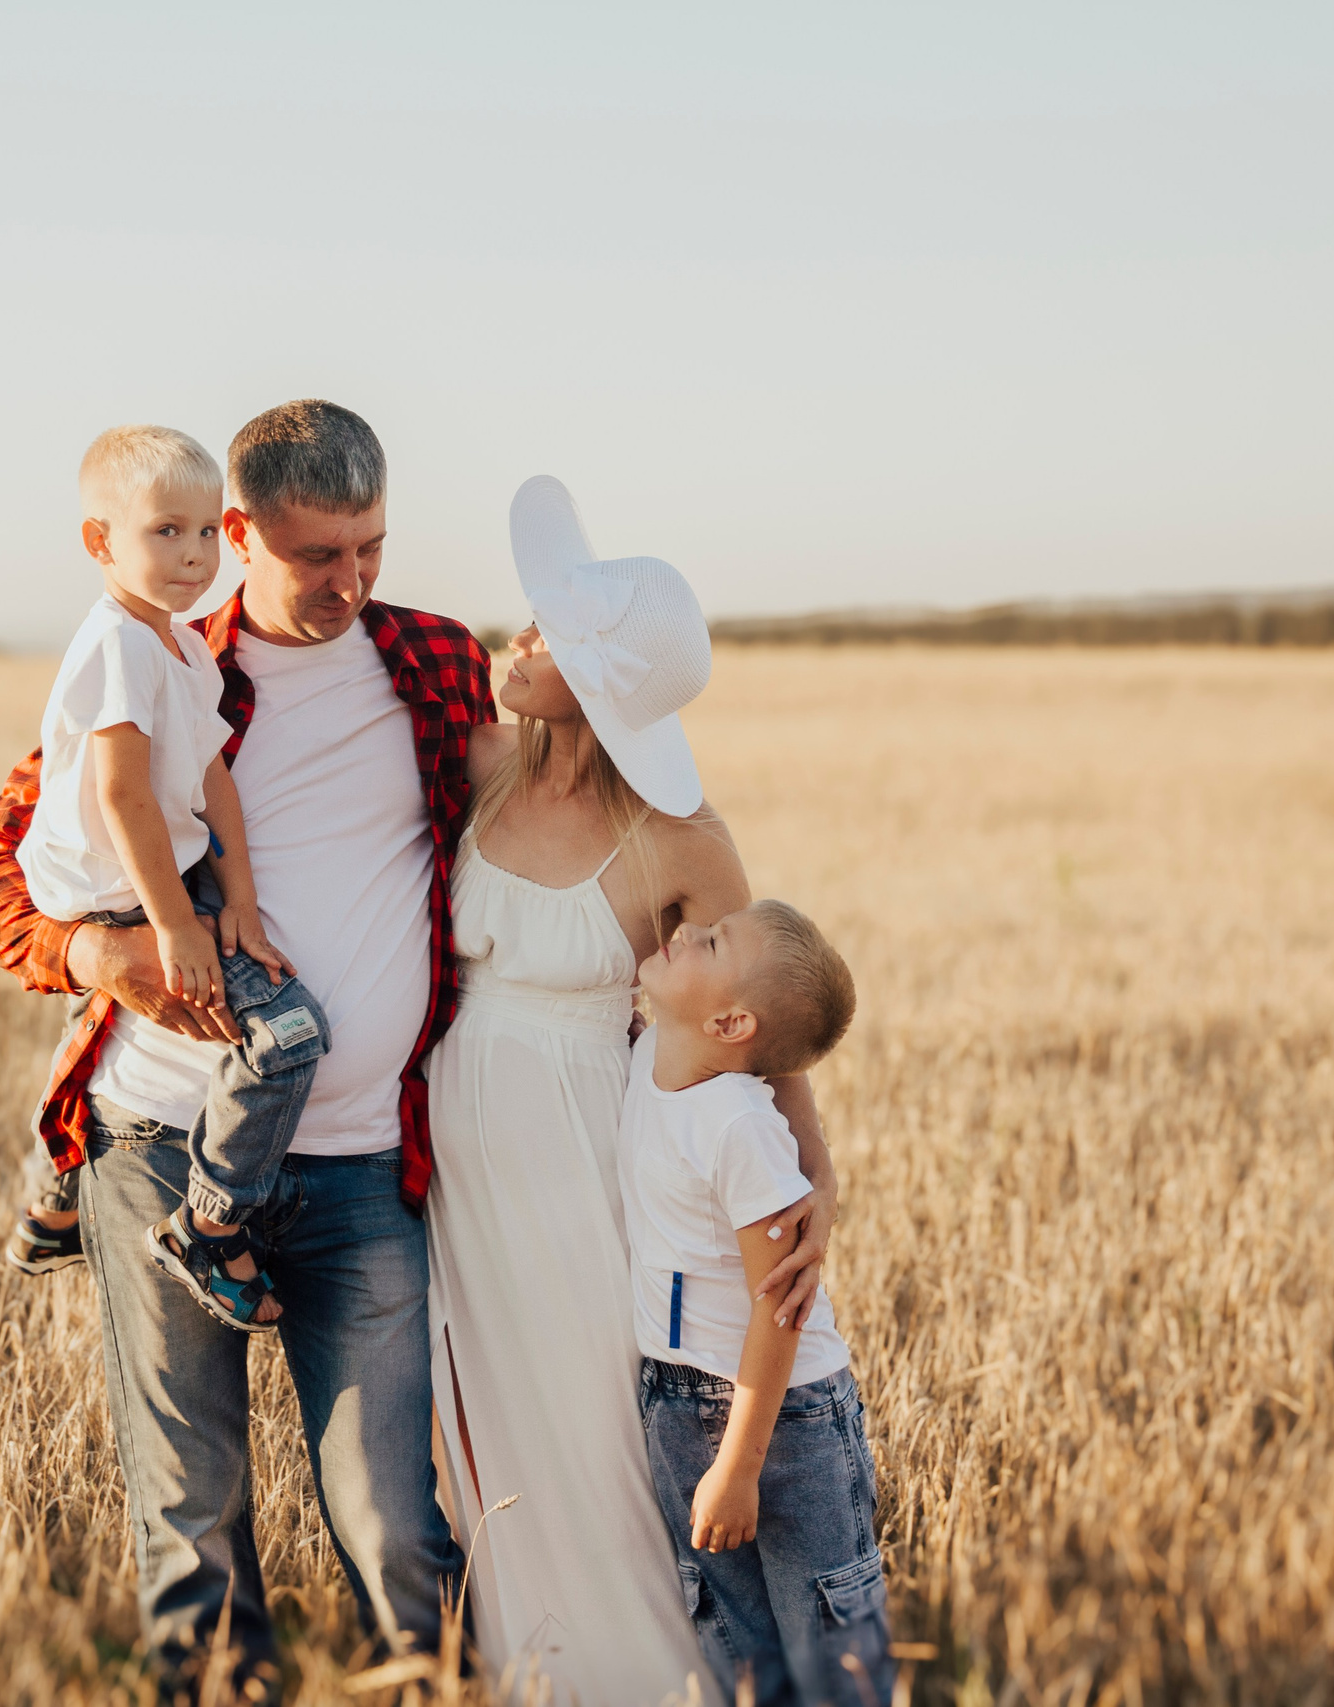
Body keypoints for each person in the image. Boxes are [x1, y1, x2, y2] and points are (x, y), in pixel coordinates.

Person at [0, 400, 481, 1688]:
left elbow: (541, 827)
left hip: (359, 1172)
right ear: (237, 534)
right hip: (160, 1146)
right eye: (316, 555)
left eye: (372, 548)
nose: (349, 582)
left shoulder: (437, 666)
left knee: (398, 1527)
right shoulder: (165, 657)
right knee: (191, 1524)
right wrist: (94, 955)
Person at [423, 477, 841, 1700]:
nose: (519, 634)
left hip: (580, 1164)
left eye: (546, 631)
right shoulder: (479, 761)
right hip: (461, 1170)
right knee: (493, 1438)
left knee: (598, 1436)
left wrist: (812, 1189)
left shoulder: (676, 833)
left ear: (599, 683)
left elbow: (760, 1022)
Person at [4, 424, 327, 1333]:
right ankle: (210, 1224)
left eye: (202, 534)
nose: (192, 556)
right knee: (289, 1036)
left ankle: (50, 1204)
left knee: (93, 1034)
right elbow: (124, 794)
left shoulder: (182, 647)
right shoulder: (117, 642)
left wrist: (246, 902)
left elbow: (212, 779)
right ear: (100, 542)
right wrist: (180, 923)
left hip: (154, 881)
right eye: (163, 533)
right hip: (114, 893)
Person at [624, 900, 889, 1707]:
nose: (680, 932)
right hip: (676, 1399)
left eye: (709, 941)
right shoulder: (648, 1057)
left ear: (732, 1019)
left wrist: (739, 1465)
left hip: (788, 1419)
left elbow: (780, 1308)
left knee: (829, 1644)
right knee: (733, 1644)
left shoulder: (739, 1124)